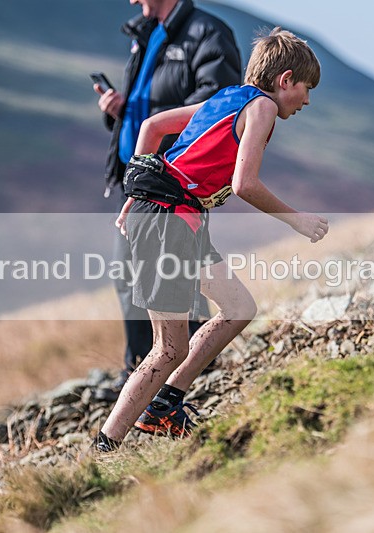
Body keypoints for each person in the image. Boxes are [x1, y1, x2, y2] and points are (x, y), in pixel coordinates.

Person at [90, 28, 328, 452]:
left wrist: (136, 192)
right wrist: (297, 220)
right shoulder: (263, 108)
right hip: (168, 223)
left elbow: (152, 125)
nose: (306, 101)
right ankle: (104, 449)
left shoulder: (228, 97)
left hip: (181, 222)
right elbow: (244, 184)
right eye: (306, 90)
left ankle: (165, 406)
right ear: (286, 79)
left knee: (239, 308)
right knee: (168, 349)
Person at [94, 0, 242, 396]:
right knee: (130, 276)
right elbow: (148, 105)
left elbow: (218, 109)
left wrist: (167, 158)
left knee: (179, 277)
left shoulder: (208, 33)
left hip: (175, 183)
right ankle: (143, 373)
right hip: (143, 181)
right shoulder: (146, 34)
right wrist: (119, 111)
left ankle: (191, 377)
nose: (131, 0)